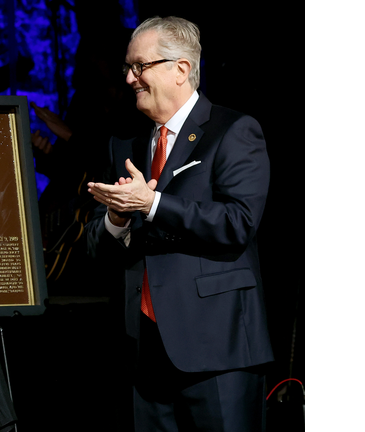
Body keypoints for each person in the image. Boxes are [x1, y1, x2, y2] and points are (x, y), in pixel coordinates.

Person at [85, 17, 273, 431]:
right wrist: (117, 218)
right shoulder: (126, 142)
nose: (131, 78)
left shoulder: (233, 130)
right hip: (142, 349)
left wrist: (152, 203)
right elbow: (96, 244)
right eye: (128, 68)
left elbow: (238, 222)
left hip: (216, 346)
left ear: (181, 69)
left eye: (140, 66)